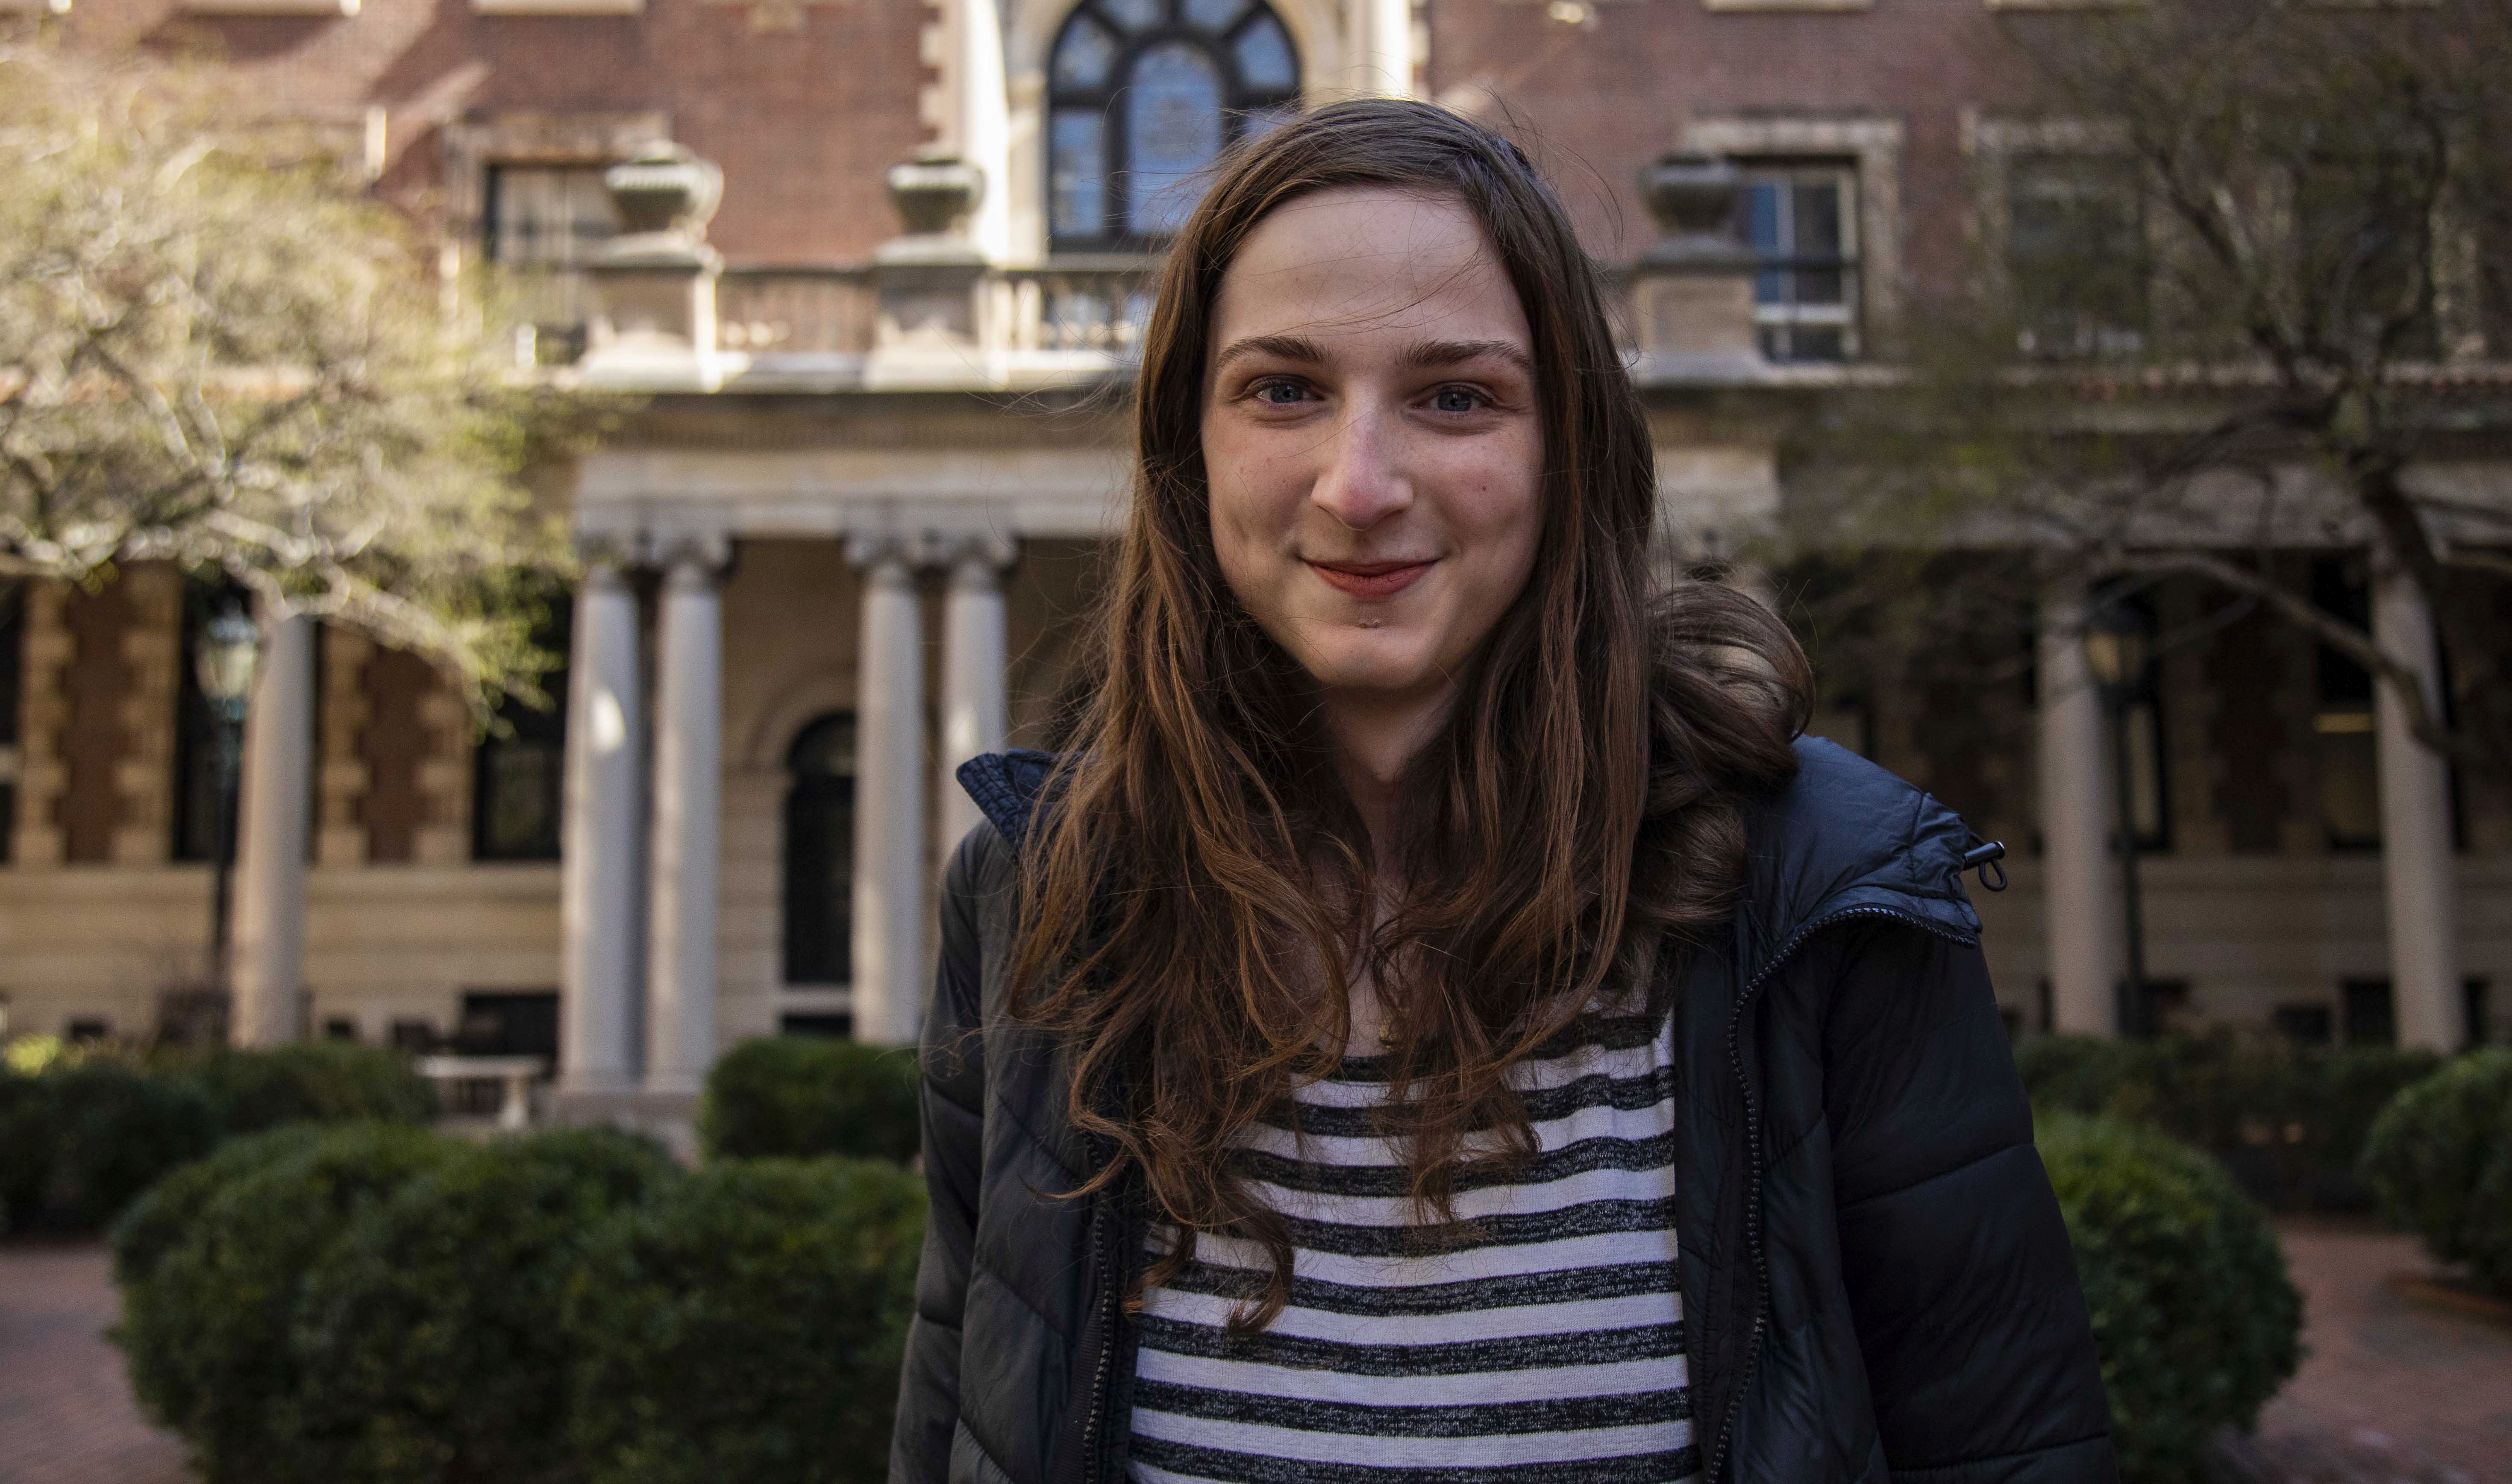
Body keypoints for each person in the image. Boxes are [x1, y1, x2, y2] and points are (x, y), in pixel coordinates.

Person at [892, 99, 2113, 1484]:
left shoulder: (1824, 897)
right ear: (1191, 452)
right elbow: (955, 1417)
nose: (1360, 486)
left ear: (1566, 449)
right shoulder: (1038, 892)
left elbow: (2009, 1451)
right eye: (1283, 389)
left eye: (1456, 395)